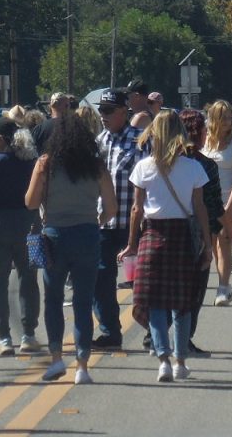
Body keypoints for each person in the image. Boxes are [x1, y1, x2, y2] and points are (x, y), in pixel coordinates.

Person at [118, 111, 210, 383]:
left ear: (154, 134)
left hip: (152, 236)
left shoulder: (144, 167)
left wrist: (132, 244)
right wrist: (206, 243)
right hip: (182, 235)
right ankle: (180, 361)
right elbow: (199, 208)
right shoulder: (193, 167)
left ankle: (163, 361)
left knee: (155, 304)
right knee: (182, 304)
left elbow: (136, 210)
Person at [24, 114, 116, 385]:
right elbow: (111, 208)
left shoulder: (45, 164)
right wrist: (95, 221)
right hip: (87, 234)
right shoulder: (96, 165)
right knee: (84, 301)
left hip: (54, 234)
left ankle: (56, 359)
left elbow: (30, 202)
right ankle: (83, 366)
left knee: (53, 299)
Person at [0, 117, 42, 356]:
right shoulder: (32, 162)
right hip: (31, 223)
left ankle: (3, 337)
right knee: (29, 277)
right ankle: (28, 334)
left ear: (2, 140)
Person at [93, 89, 145, 349]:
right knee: (100, 279)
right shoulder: (99, 141)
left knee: (144, 282)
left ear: (124, 112)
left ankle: (152, 330)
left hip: (134, 222)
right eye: (100, 110)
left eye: (108, 111)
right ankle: (110, 332)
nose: (102, 116)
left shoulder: (140, 140)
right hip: (104, 223)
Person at [180, 109, 224, 353]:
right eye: (205, 130)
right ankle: (185, 338)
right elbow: (213, 204)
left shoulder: (165, 162)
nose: (207, 134)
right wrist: (222, 230)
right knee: (195, 289)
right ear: (196, 132)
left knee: (169, 285)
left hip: (169, 227)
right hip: (198, 231)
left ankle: (155, 334)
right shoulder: (205, 165)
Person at [202, 100, 232, 306]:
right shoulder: (206, 142)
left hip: (230, 200)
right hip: (208, 201)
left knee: (225, 243)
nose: (228, 122)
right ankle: (222, 286)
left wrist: (229, 207)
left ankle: (222, 287)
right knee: (209, 245)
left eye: (230, 117)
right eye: (224, 117)